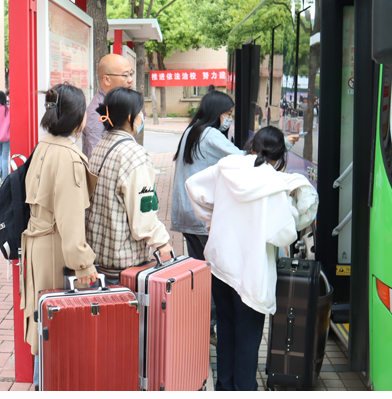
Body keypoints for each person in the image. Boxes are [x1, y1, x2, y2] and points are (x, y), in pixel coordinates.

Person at [185, 126, 318, 391]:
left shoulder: (227, 166)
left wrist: (211, 219)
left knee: (225, 328)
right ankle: (244, 388)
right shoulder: (274, 184)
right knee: (248, 335)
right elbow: (284, 234)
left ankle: (225, 386)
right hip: (252, 268)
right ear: (280, 156)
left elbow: (193, 186)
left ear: (252, 146)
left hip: (221, 262)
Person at [21, 83, 98, 386]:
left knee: (44, 327)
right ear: (79, 119)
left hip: (38, 247)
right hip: (55, 251)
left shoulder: (45, 145)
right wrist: (85, 266)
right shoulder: (68, 157)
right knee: (55, 334)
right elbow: (70, 221)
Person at [171, 90, 242, 343]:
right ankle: (207, 325)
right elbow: (241, 159)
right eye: (228, 114)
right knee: (211, 272)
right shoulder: (211, 134)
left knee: (198, 270)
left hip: (185, 213)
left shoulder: (192, 130)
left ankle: (196, 322)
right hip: (200, 215)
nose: (229, 119)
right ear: (217, 113)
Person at [86, 87, 173, 284]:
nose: (142, 116)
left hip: (98, 259)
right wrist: (162, 242)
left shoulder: (100, 146)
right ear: (129, 116)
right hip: (124, 264)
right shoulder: (134, 155)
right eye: (141, 112)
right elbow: (144, 213)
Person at [82, 54, 135, 158]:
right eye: (125, 75)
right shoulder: (96, 114)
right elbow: (96, 160)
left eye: (131, 74)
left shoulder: (116, 104)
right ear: (107, 80)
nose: (130, 80)